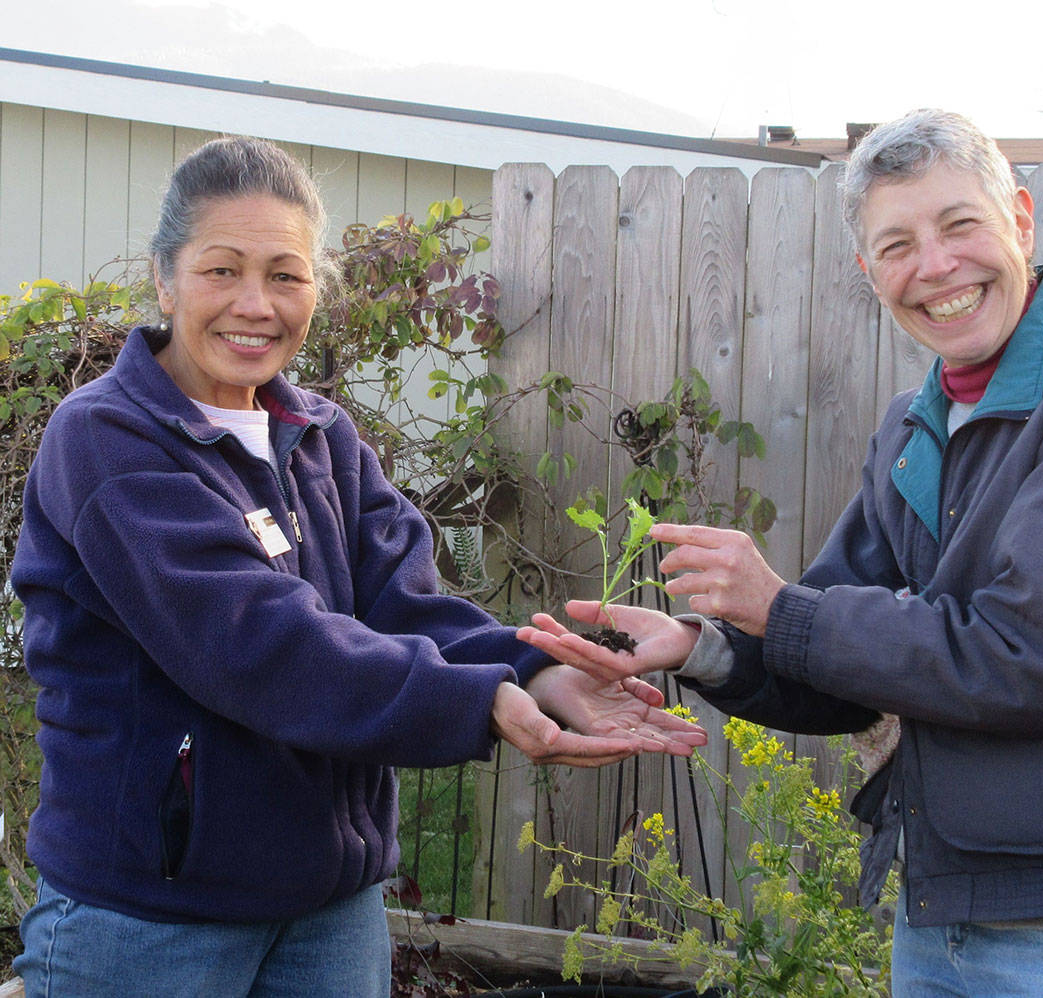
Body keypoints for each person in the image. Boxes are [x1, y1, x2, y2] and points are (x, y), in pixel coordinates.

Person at [518, 109, 1043, 996]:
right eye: (896, 244)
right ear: (869, 273)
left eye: (960, 225)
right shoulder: (915, 428)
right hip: (941, 911)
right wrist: (705, 647)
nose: (936, 267)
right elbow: (839, 661)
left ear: (1020, 220)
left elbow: (1033, 658)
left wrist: (784, 610)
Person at [11, 136, 704, 997]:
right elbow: (257, 644)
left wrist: (536, 668)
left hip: (329, 909)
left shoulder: (323, 438)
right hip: (151, 916)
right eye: (220, 270)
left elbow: (404, 605)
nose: (254, 304)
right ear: (164, 279)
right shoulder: (109, 439)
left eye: (285, 274)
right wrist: (477, 700)